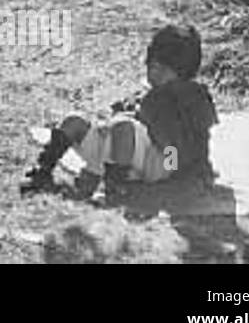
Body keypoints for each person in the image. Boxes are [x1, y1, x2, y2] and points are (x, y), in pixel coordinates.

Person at [21, 24, 218, 196]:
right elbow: (121, 110)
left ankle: (114, 188)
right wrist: (106, 121)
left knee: (123, 126)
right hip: (117, 155)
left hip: (158, 160)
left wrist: (182, 173)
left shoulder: (191, 97)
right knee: (75, 120)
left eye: (162, 70)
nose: (154, 73)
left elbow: (185, 142)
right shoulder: (149, 93)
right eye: (152, 67)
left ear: (181, 73)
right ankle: (42, 171)